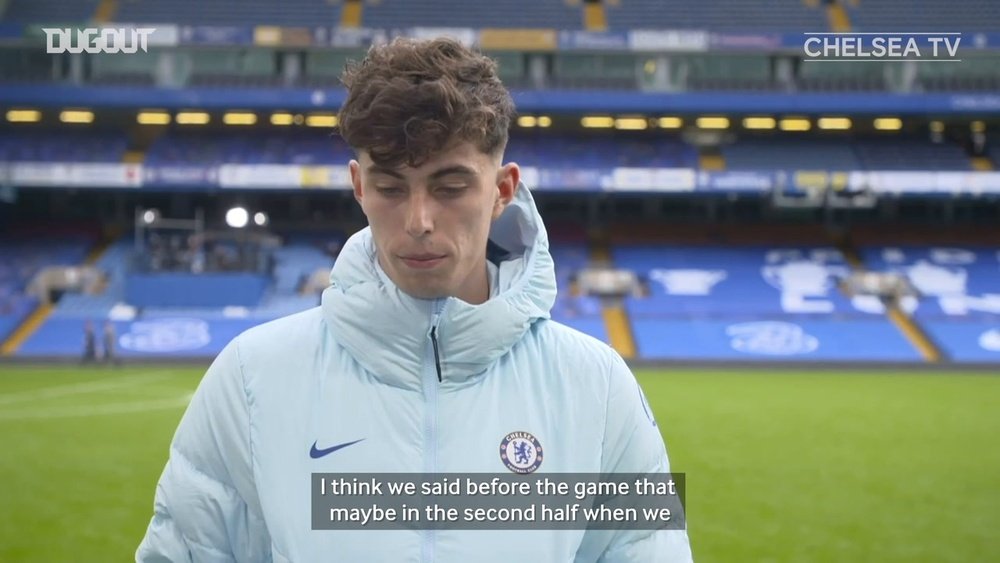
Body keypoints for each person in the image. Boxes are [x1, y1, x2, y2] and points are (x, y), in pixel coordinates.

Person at [137, 37, 692, 562]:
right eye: (391, 188)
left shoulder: (594, 385)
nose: (419, 222)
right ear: (358, 186)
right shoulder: (251, 378)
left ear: (502, 190)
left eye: (450, 187)